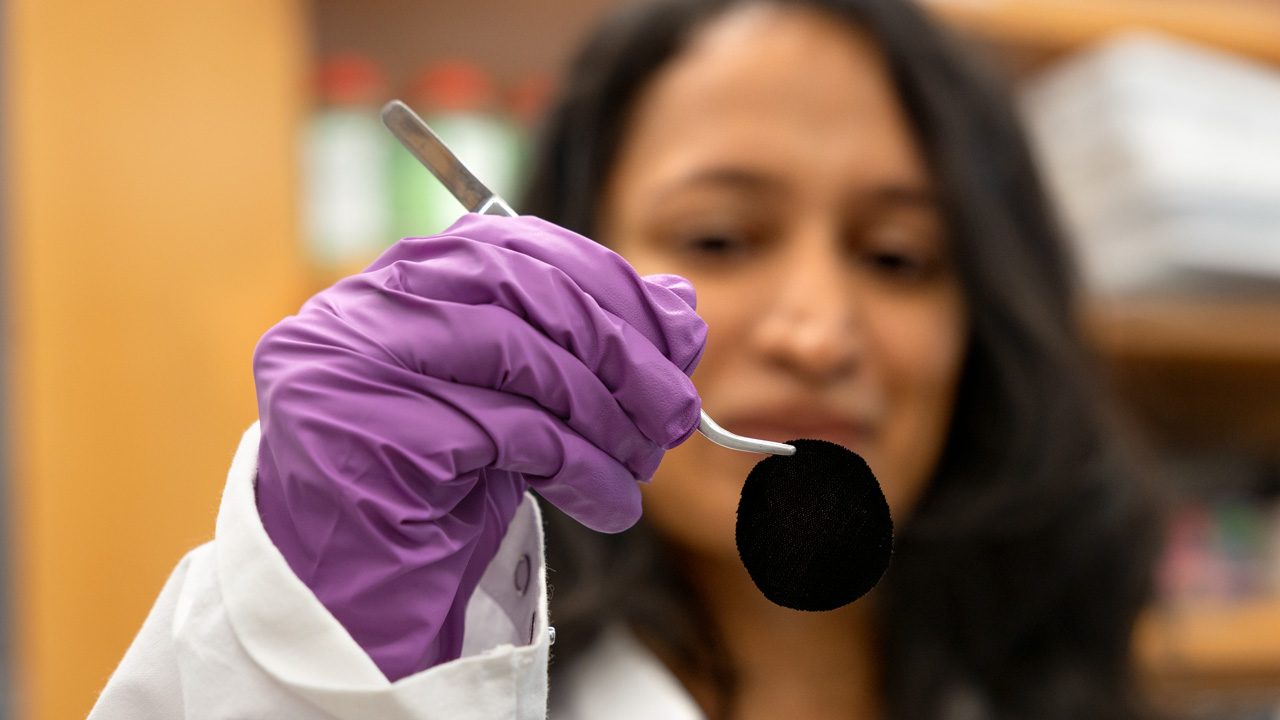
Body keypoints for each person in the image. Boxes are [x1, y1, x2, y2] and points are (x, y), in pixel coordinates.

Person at [90, 0, 1163, 718]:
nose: (816, 332)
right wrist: (316, 655)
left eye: (895, 256)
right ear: (561, 271)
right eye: (718, 238)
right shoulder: (407, 680)